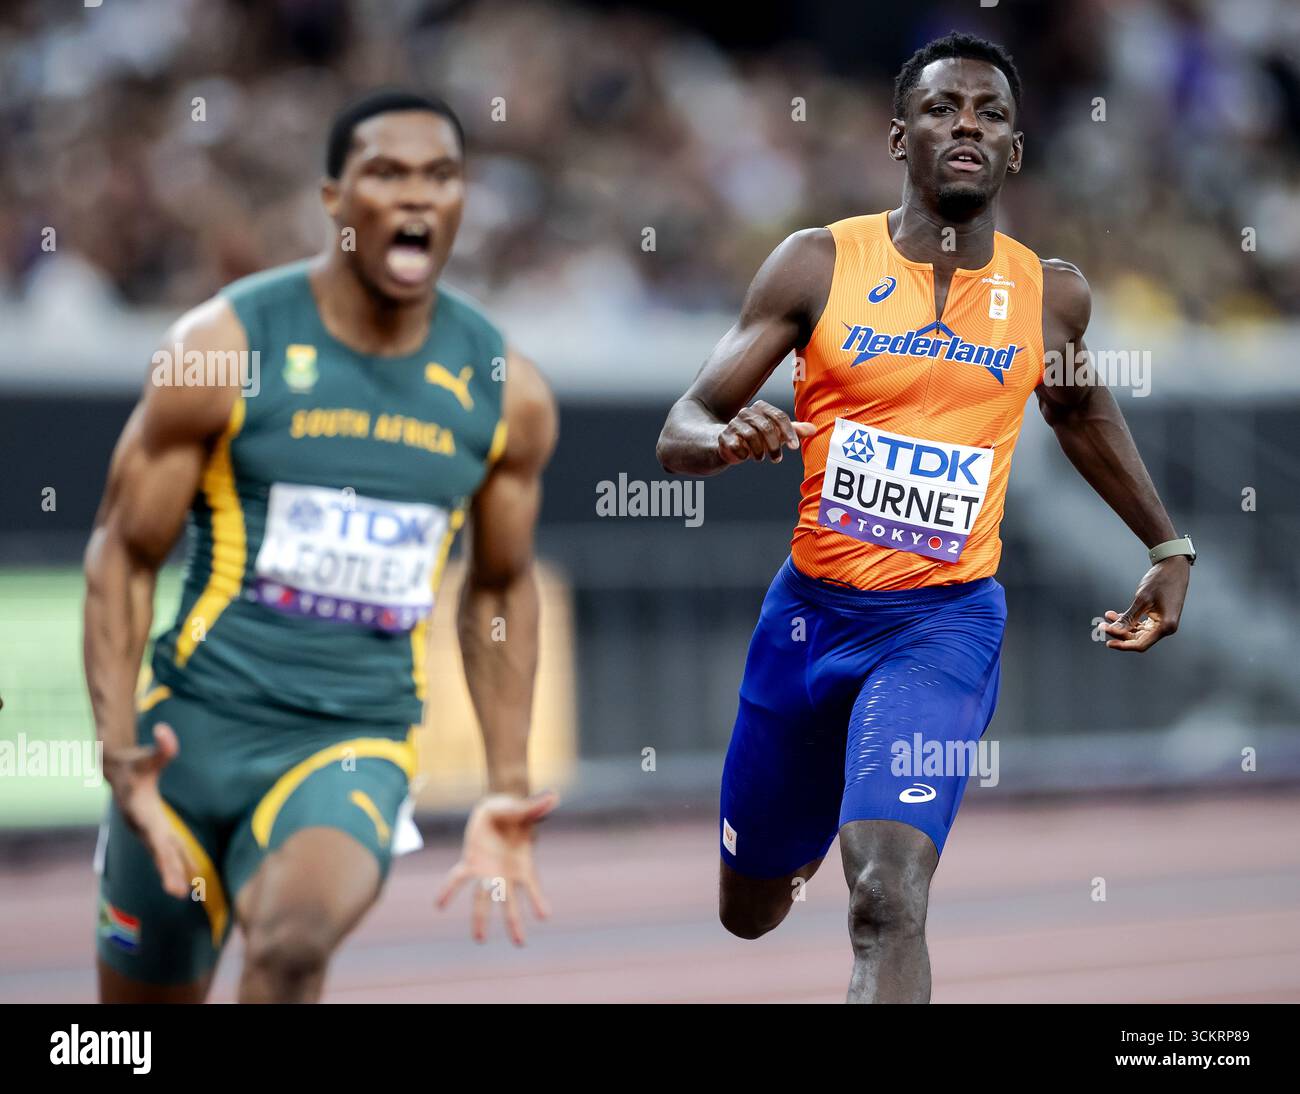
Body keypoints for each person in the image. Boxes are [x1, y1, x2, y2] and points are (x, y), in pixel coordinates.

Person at [656, 32, 1194, 1003]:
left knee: (886, 898)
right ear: (900, 136)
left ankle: (870, 803)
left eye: (991, 114)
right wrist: (724, 438)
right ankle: (820, 797)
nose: (967, 126)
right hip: (807, 623)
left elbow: (1078, 410)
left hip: (940, 629)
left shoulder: (1050, 295)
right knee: (750, 909)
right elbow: (681, 427)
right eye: (943, 108)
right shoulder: (816, 265)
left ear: (1015, 150)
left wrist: (1166, 544)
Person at [84, 89, 559, 1003]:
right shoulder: (221, 346)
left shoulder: (507, 390)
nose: (416, 197)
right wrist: (117, 746)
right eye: (386, 174)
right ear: (334, 198)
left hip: (351, 744)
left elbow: (501, 588)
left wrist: (507, 783)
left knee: (293, 943)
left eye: (441, 176)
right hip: (190, 734)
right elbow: (123, 553)